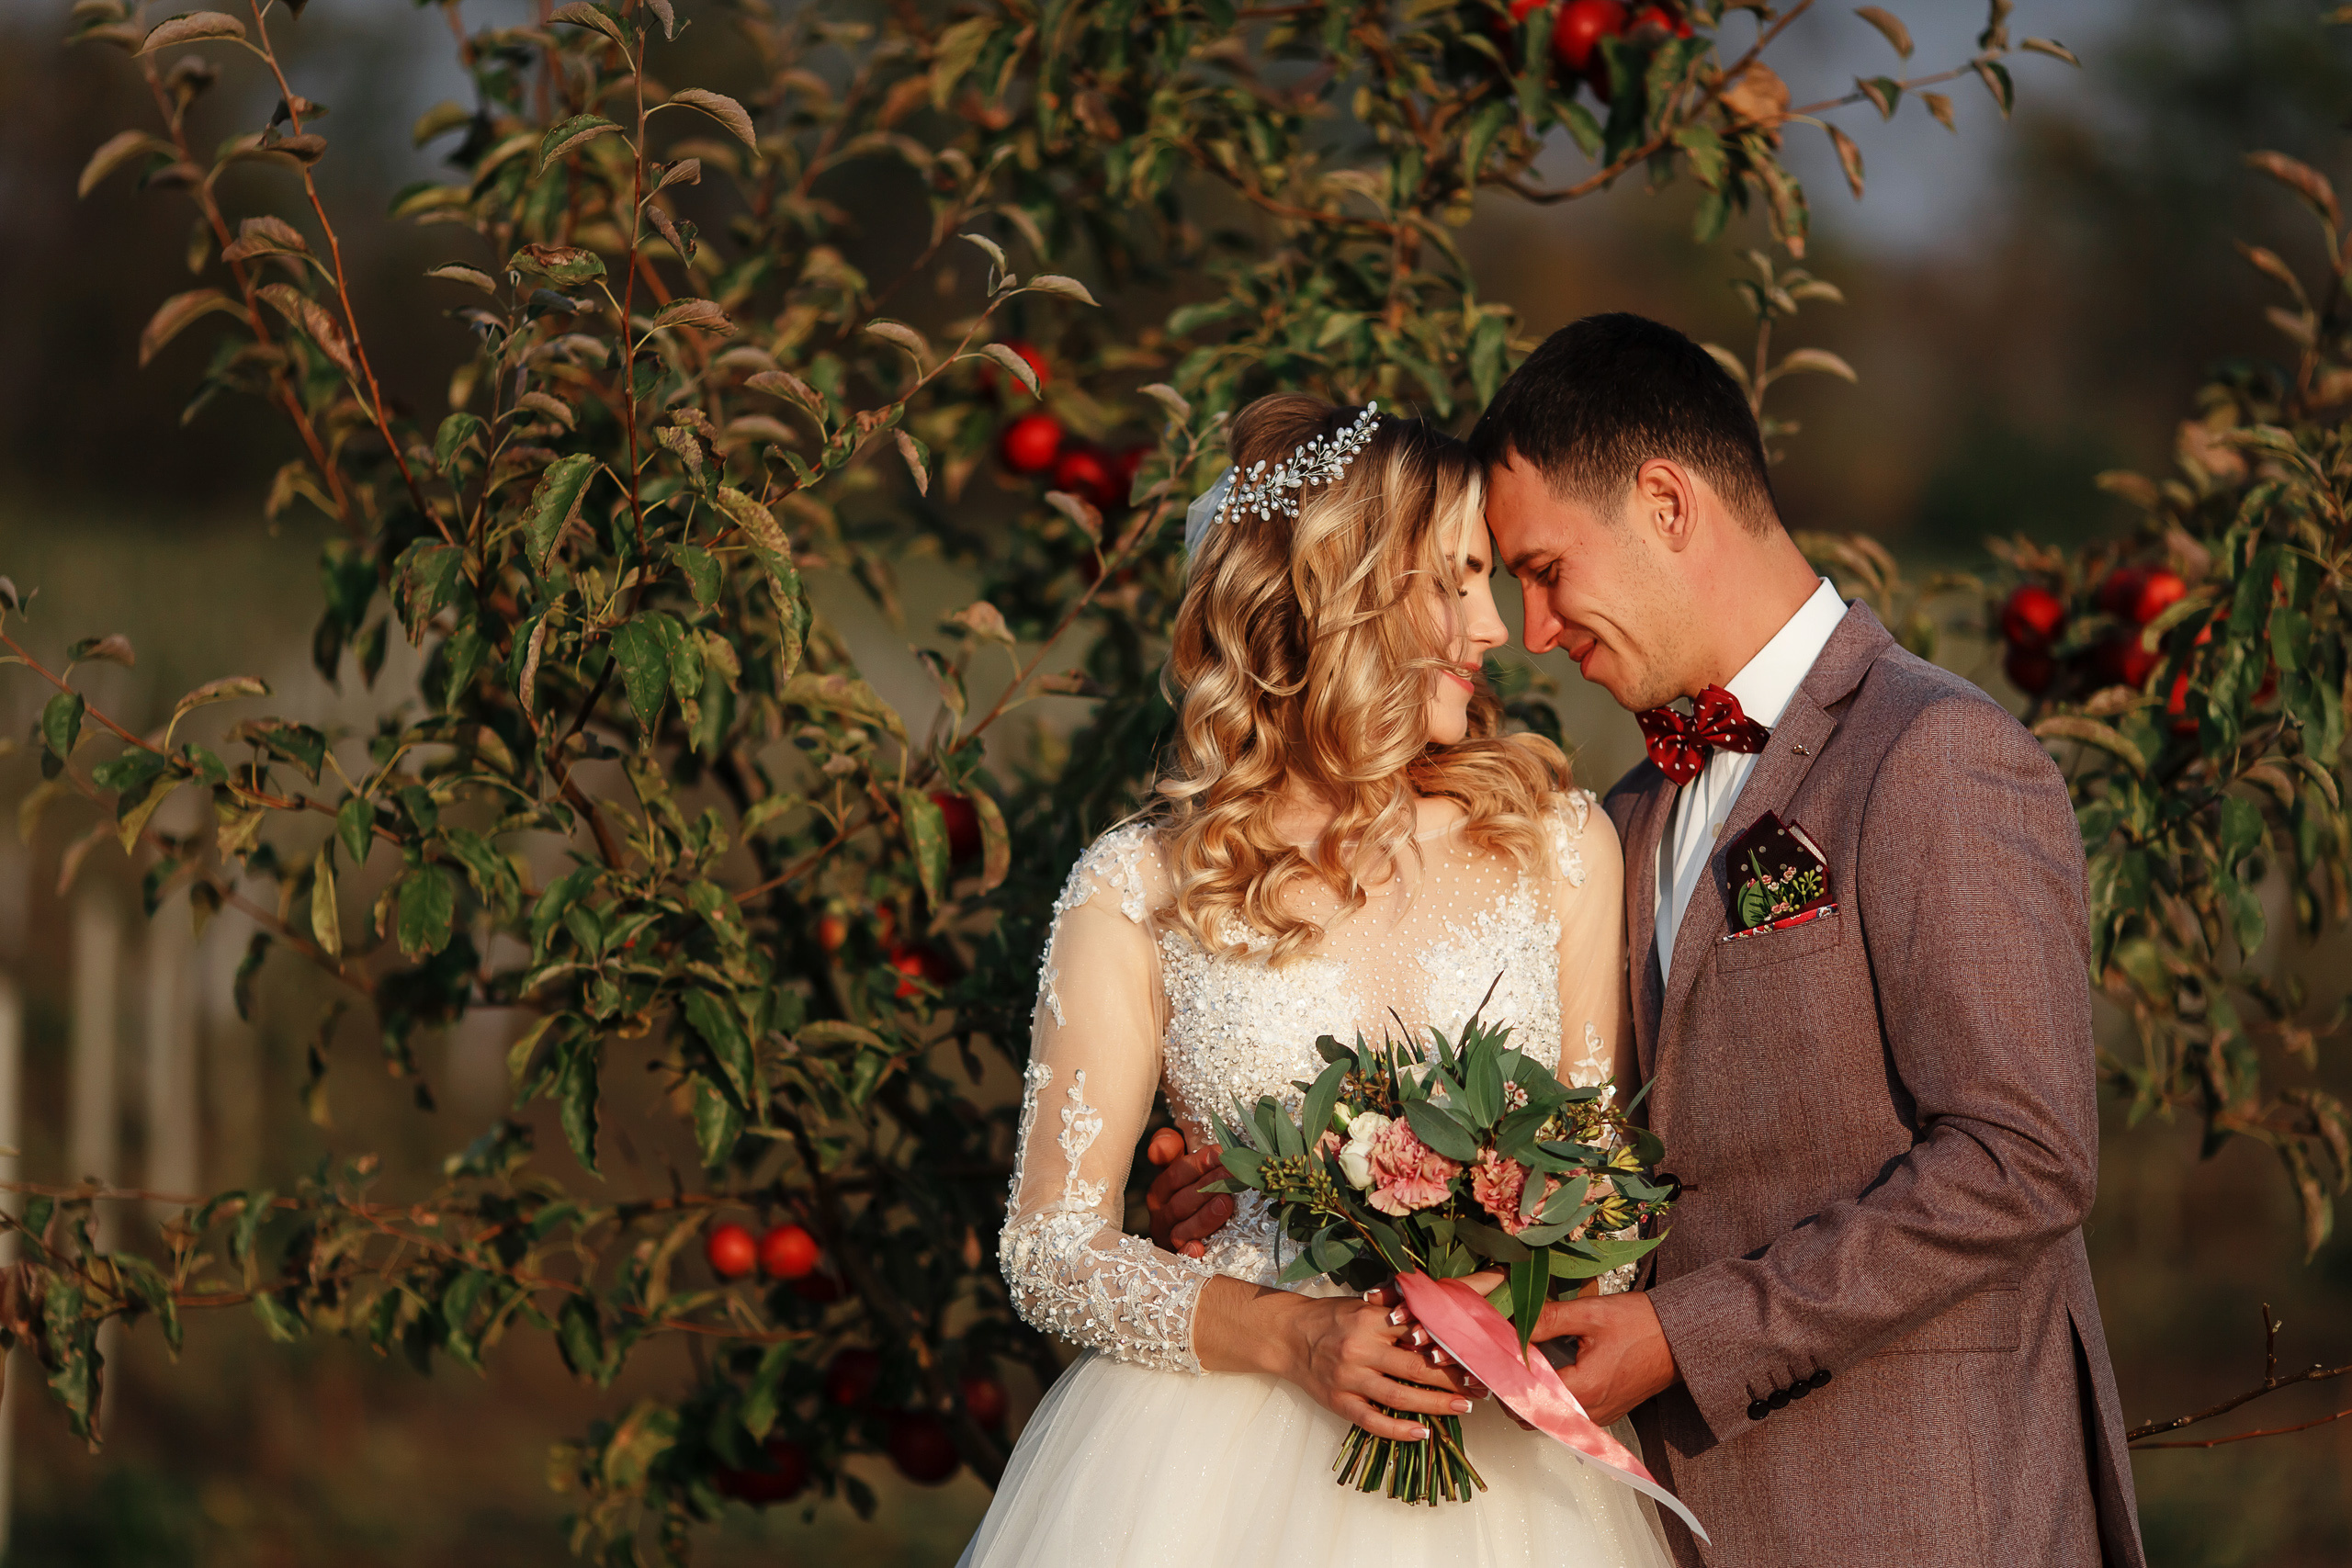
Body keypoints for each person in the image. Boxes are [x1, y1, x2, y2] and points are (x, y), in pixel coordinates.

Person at [1150, 315, 2148, 1568]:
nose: (1532, 624)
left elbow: (2024, 1158)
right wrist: (1272, 1189)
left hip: (1928, 1509)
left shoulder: (1934, 755)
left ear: (1667, 503)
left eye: (1547, 567)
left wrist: (1688, 1332)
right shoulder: (1618, 819)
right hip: (1663, 1519)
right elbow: (1551, 1132)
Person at [960, 395, 1672, 1567]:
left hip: (1509, 1461)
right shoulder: (1138, 888)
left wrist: (1505, 1280)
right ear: (1337, 596)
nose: (1492, 628)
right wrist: (1289, 1336)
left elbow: (1602, 1180)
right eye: (1453, 580)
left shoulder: (1554, 844)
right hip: (1204, 1476)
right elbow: (1048, 1250)